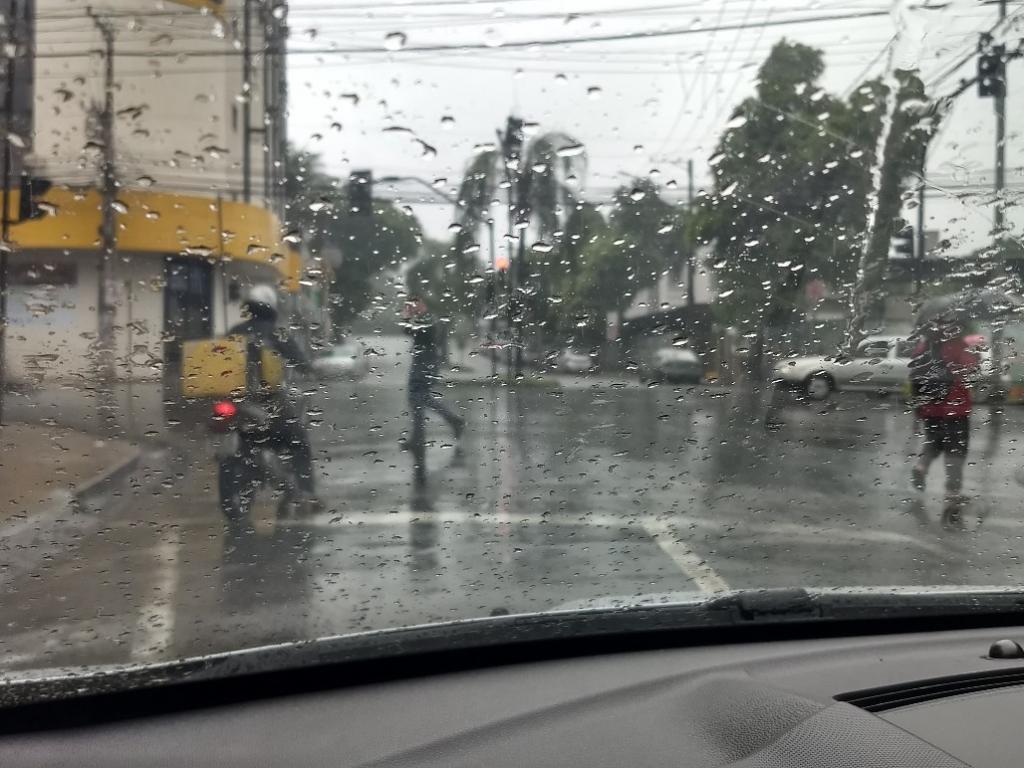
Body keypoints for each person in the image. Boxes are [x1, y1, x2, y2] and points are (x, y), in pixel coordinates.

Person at [228, 284, 320, 503]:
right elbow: (301, 362)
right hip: (268, 401)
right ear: (271, 308)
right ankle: (307, 493)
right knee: (299, 441)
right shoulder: (277, 334)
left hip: (235, 402)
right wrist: (310, 370)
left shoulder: (235, 332)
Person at [909, 321, 979, 512]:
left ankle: (921, 467)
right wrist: (975, 356)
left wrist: (918, 409)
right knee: (956, 451)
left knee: (934, 440)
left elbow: (914, 377)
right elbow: (970, 373)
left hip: (929, 408)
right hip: (955, 409)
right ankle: (952, 494)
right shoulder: (958, 345)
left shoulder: (923, 346)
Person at [402, 298, 465, 487]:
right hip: (423, 360)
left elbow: (416, 333)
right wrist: (409, 319)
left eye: (416, 305)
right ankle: (419, 437)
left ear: (423, 305)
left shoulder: (428, 319)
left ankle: (452, 421)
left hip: (425, 362)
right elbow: (410, 332)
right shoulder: (424, 318)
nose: (413, 308)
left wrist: (407, 318)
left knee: (418, 397)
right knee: (419, 399)